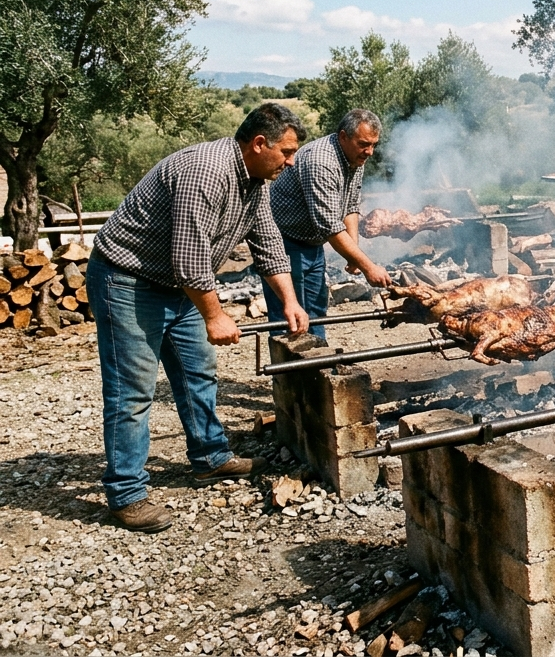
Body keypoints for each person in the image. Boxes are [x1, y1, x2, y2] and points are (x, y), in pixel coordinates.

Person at [89, 103, 311, 533]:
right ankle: (126, 494)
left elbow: (268, 242)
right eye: (286, 151)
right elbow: (189, 257)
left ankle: (210, 457)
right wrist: (215, 316)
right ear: (259, 143)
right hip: (128, 281)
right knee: (131, 392)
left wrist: (290, 300)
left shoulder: (256, 182)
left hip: (177, 285)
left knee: (198, 373)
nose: (290, 161)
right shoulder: (206, 171)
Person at [265, 109, 392, 338]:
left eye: (374, 145)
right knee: (289, 317)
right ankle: (290, 363)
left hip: (312, 244)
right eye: (364, 144)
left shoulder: (356, 157)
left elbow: (350, 205)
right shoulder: (321, 161)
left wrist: (353, 254)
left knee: (315, 311)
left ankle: (318, 360)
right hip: (283, 243)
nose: (370, 152)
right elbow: (330, 225)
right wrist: (368, 267)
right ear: (344, 136)